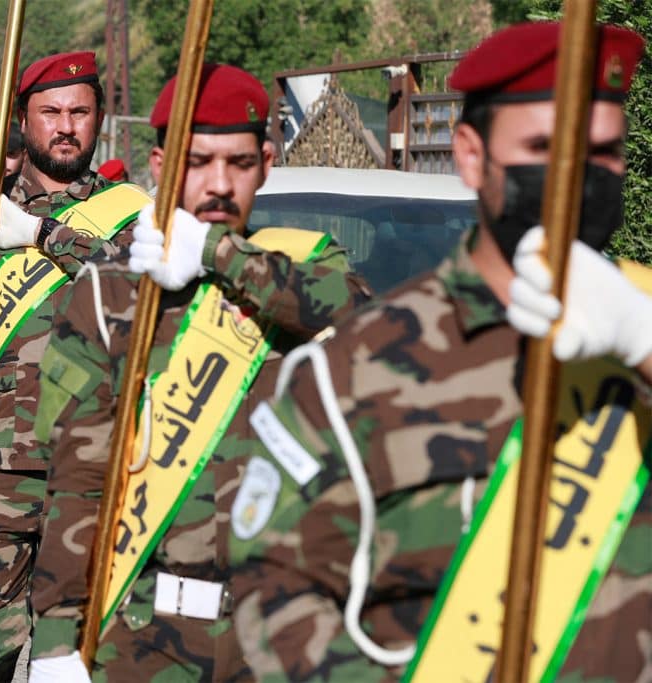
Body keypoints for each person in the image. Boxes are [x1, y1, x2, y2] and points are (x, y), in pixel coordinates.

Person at [227, 22, 651, 683]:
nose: (578, 177)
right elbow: (272, 584)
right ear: (472, 157)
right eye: (544, 148)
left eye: (602, 152)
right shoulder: (361, 363)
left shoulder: (643, 331)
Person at [26, 63, 370, 681]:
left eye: (239, 163)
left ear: (266, 164)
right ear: (160, 166)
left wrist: (216, 253)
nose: (218, 184)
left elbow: (362, 319)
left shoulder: (303, 271)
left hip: (282, 628)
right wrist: (56, 637)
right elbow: (78, 479)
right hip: (142, 631)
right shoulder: (110, 293)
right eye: (199, 162)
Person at [0, 50, 150, 682]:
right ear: (23, 121)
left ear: (100, 120)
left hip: (97, 469)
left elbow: (141, 296)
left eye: (80, 112)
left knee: (83, 659)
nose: (66, 126)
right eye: (51, 112)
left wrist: (47, 236)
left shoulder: (134, 213)